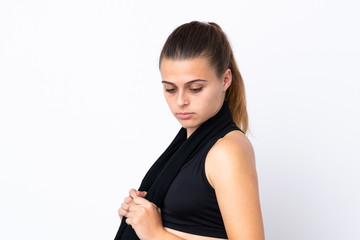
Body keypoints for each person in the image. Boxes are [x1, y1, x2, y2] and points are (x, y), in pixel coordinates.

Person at [116, 21, 265, 240]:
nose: (181, 101)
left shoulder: (227, 150)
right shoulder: (187, 146)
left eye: (195, 89)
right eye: (170, 89)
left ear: (225, 80)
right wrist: (140, 215)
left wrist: (156, 234)